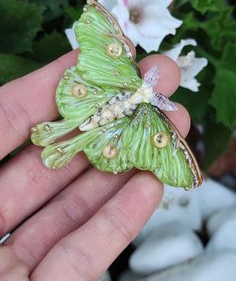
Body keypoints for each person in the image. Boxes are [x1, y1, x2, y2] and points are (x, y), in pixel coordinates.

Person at [0, 49, 191, 280]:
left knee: (87, 133)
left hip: (109, 118)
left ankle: (60, 136)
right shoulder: (151, 105)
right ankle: (62, 137)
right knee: (84, 129)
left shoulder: (149, 108)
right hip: (102, 105)